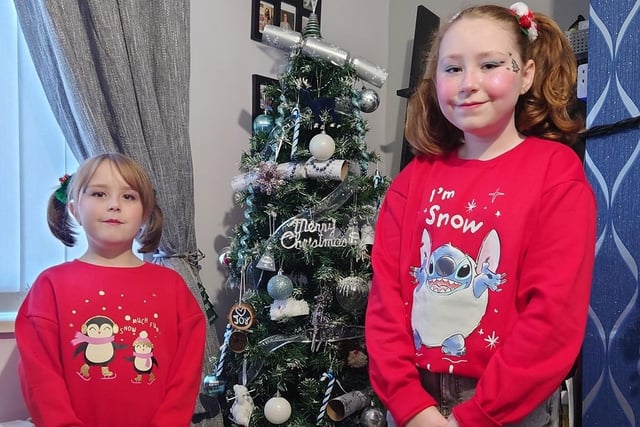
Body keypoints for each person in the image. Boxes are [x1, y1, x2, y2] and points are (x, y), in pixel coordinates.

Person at [365, 3, 596, 427]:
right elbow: (385, 304)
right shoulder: (413, 180)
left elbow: (552, 317)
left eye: (489, 64)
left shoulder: (555, 173)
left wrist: (477, 415)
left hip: (507, 405)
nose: (468, 83)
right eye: (452, 69)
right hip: (414, 400)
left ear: (525, 74)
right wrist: (411, 406)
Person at [15, 153, 206, 427]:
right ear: (74, 209)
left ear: (145, 212)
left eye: (128, 197)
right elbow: (40, 379)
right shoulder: (50, 286)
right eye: (99, 194)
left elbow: (185, 376)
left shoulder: (172, 286)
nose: (114, 205)